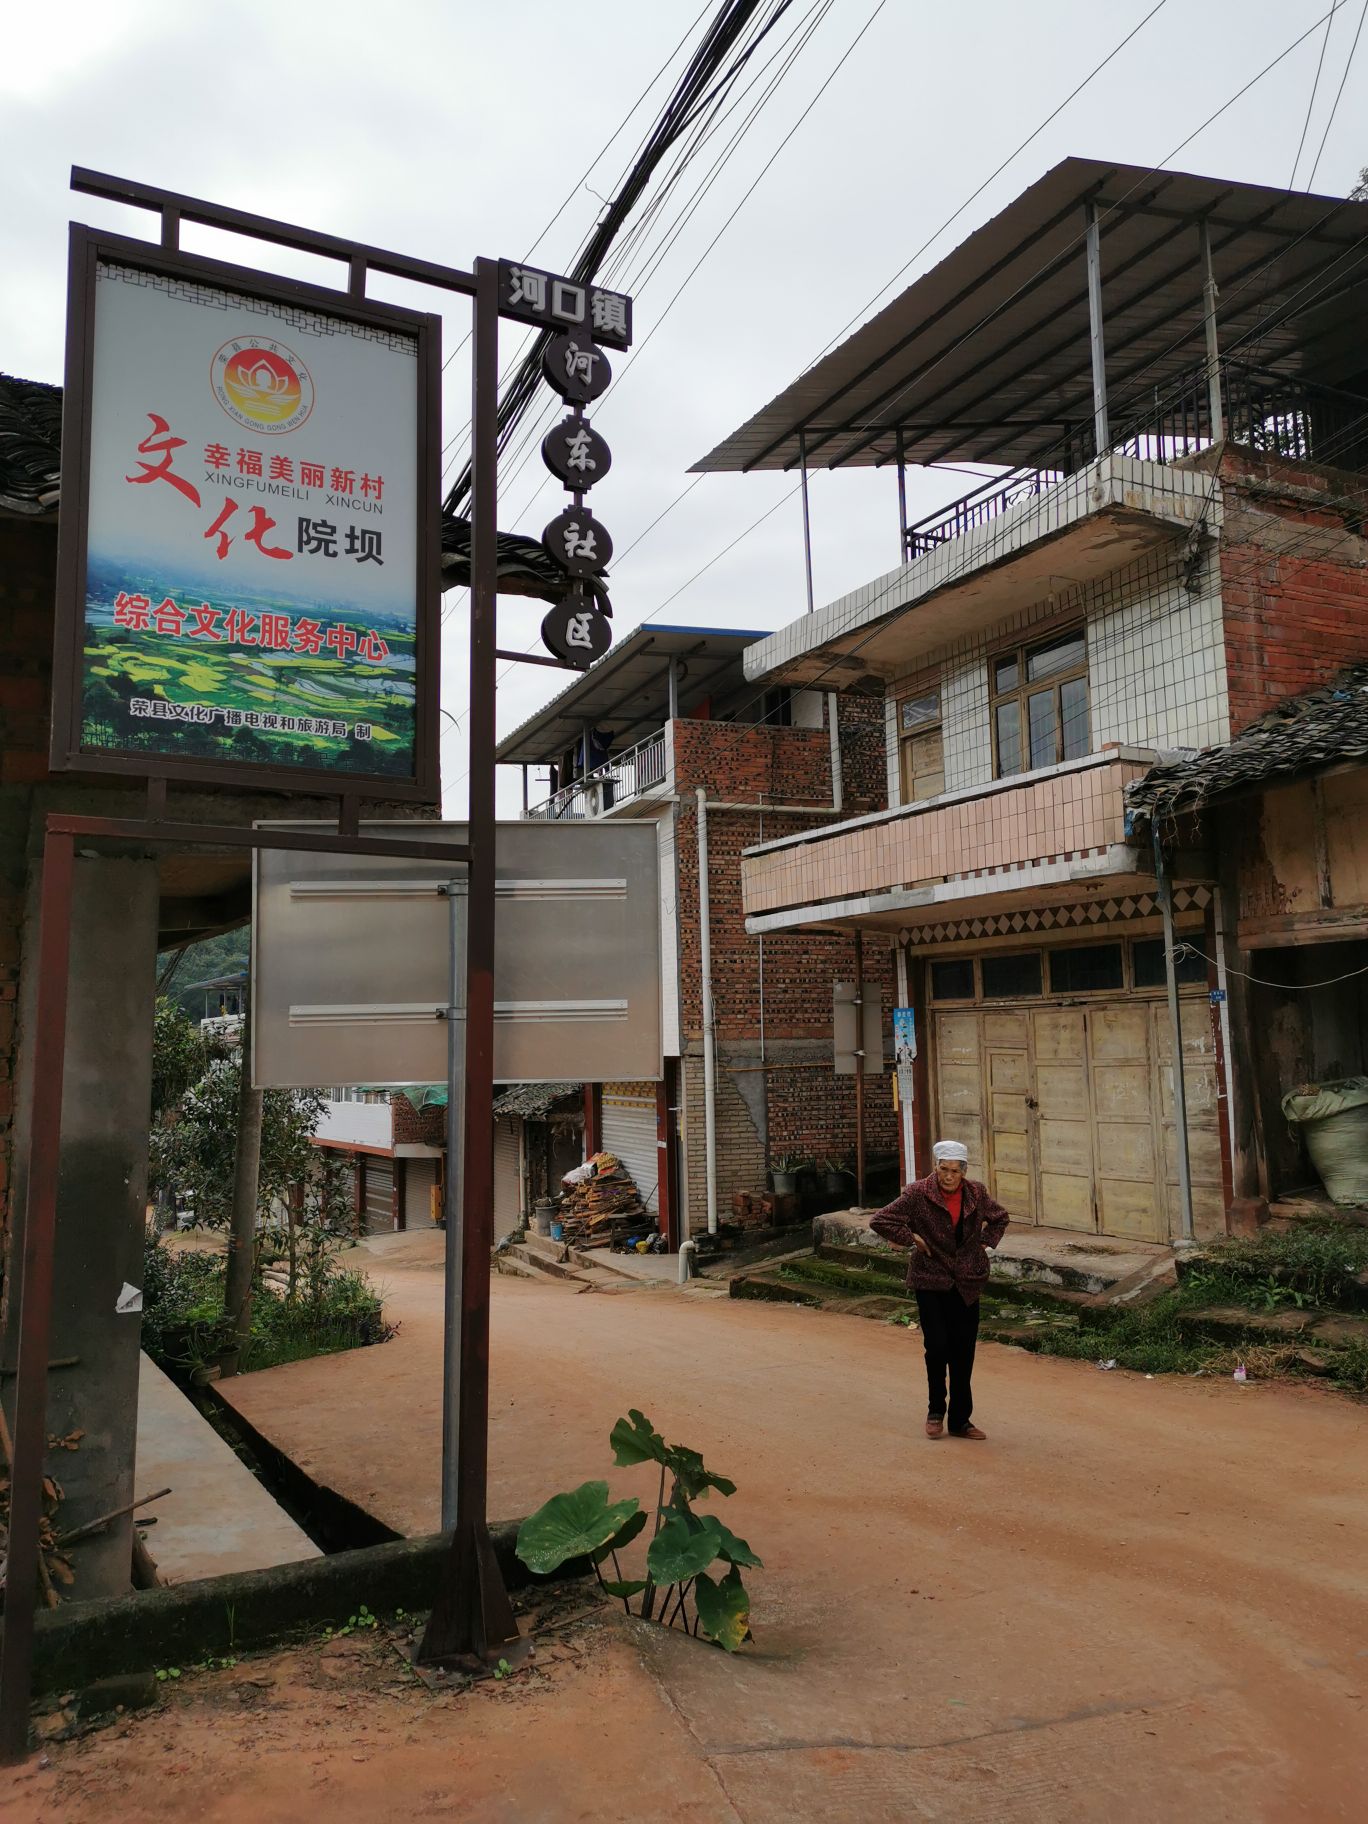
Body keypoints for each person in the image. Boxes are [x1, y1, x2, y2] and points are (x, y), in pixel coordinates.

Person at [870, 1140, 1010, 1441]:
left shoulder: (977, 1193)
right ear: (935, 1168)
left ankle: (961, 1420)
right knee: (937, 1347)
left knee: (963, 1350)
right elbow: (881, 1220)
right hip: (930, 1279)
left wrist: (984, 1244)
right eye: (943, 1169)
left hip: (967, 1281)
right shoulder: (918, 1193)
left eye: (954, 1171)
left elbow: (1000, 1218)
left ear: (964, 1171)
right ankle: (936, 1411)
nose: (948, 1176)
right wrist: (912, 1238)